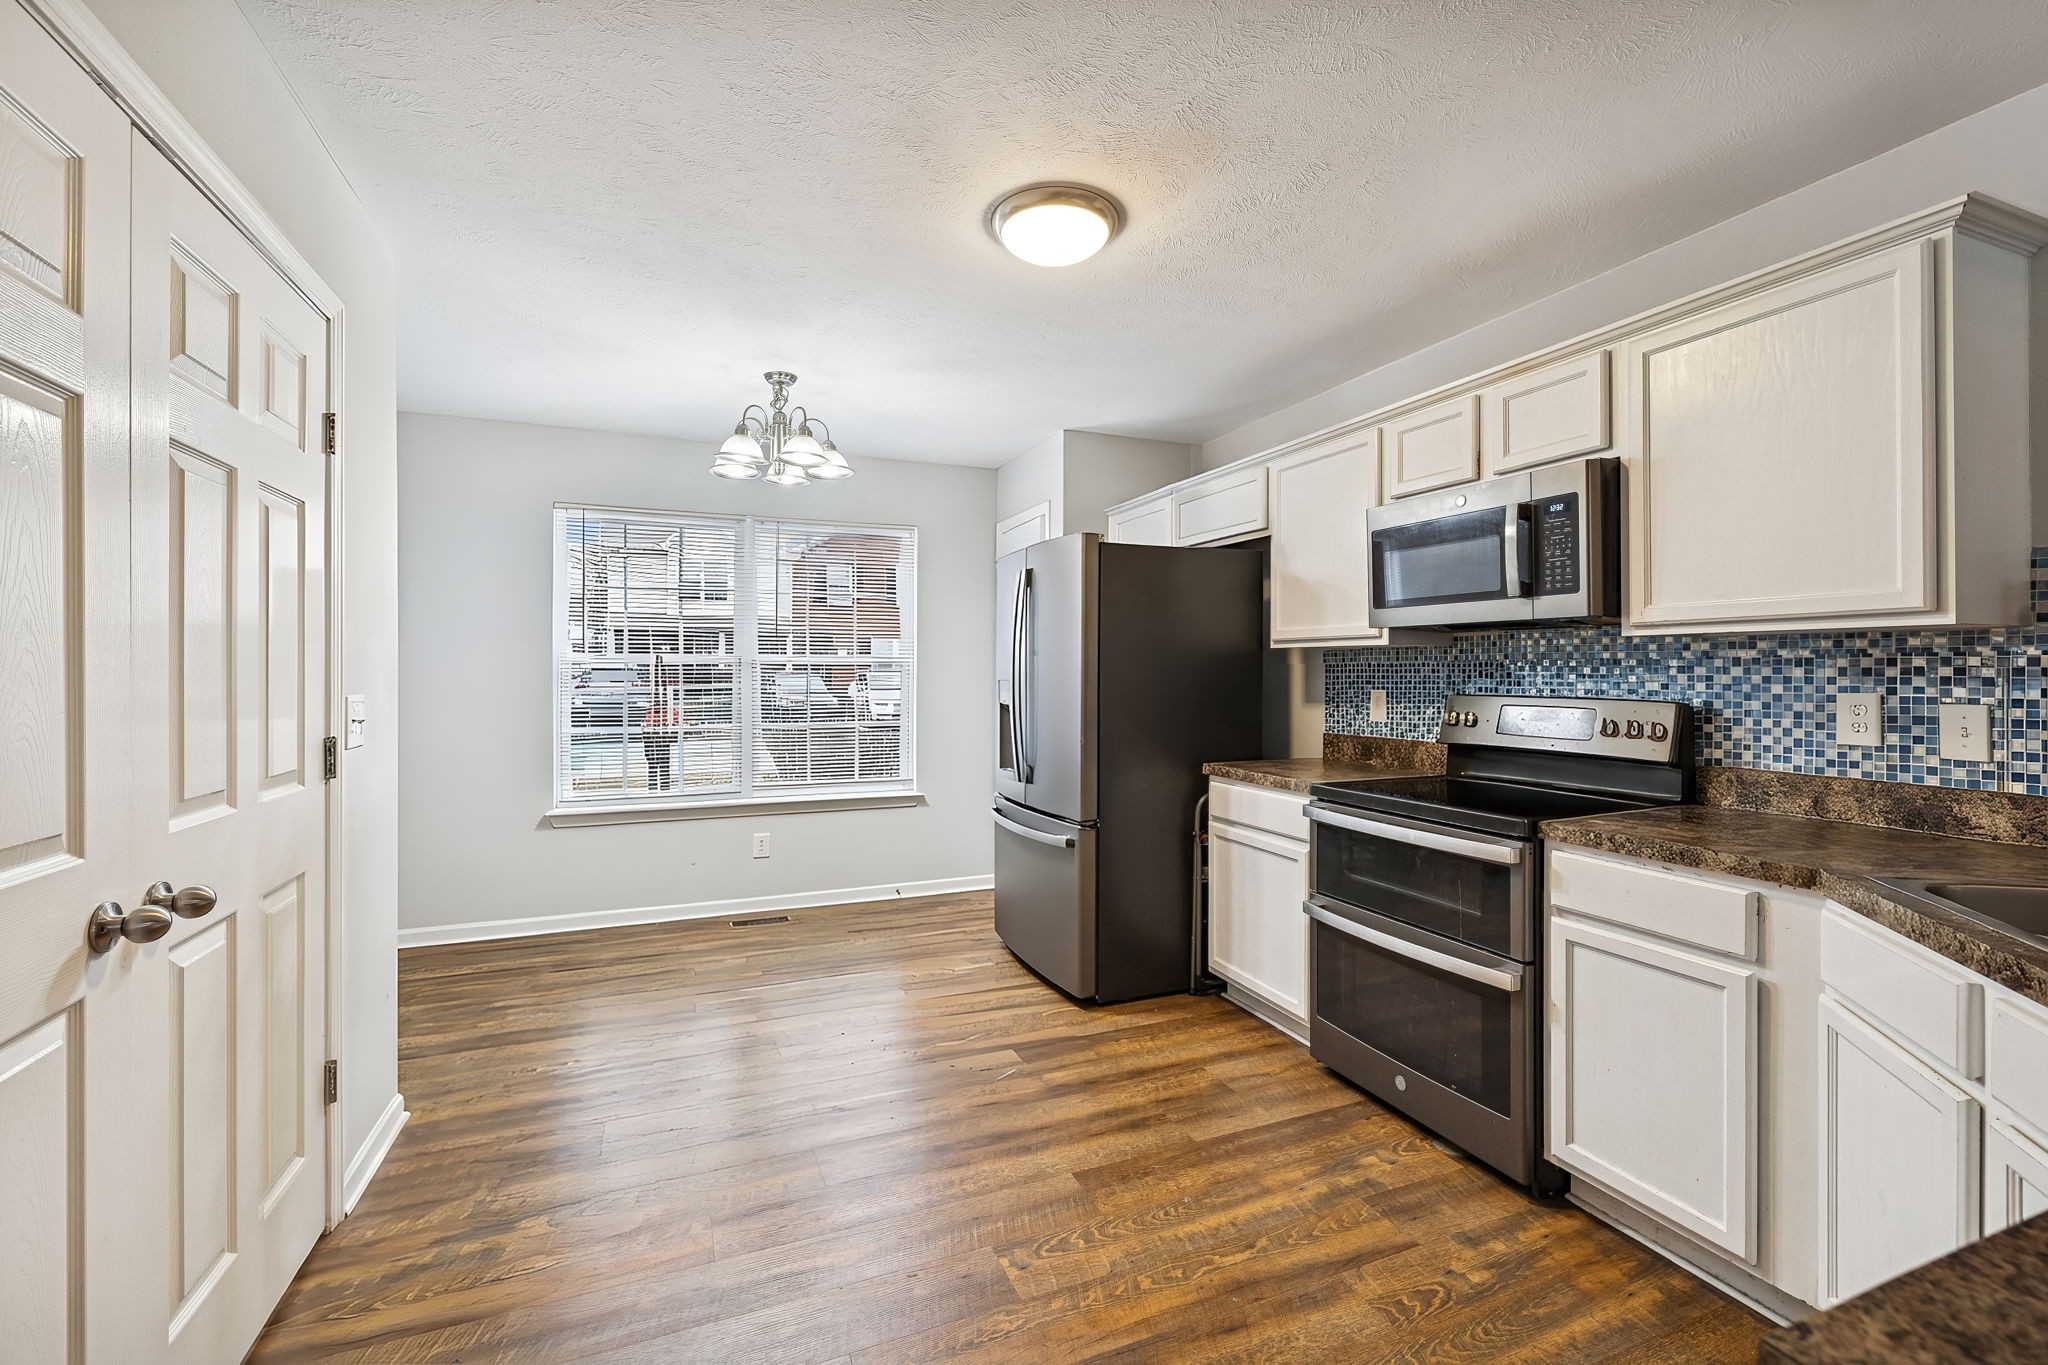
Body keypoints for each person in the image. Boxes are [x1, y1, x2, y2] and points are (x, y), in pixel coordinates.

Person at [643, 659, 680, 793]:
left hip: (660, 746)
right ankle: (658, 792)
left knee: (660, 769)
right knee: (656, 769)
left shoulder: (667, 711)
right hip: (657, 746)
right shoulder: (654, 712)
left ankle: (660, 791)